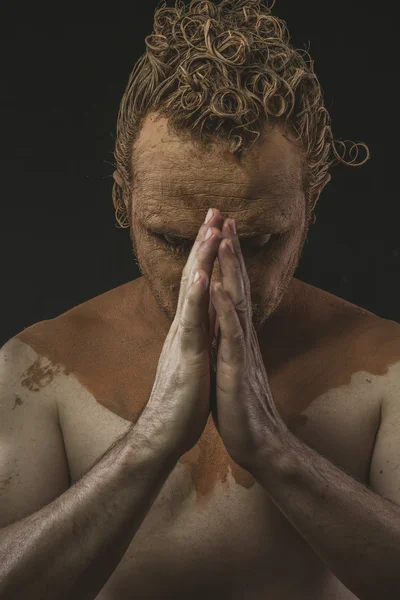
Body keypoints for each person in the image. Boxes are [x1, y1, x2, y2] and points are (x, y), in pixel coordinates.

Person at [1, 0, 399, 598]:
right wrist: (149, 443)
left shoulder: (387, 371)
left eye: (259, 242)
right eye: (170, 238)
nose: (208, 275)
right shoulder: (37, 371)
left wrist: (273, 450)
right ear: (122, 199)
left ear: (309, 206)